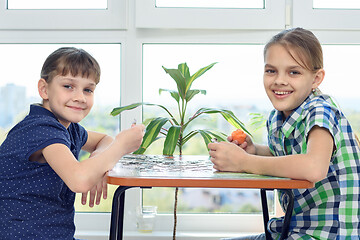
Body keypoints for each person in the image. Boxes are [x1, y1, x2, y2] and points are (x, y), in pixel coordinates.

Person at [208, 28, 360, 239]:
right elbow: (287, 158)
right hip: (293, 230)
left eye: (294, 72)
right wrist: (255, 151)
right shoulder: (278, 116)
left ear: (316, 78)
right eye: (271, 71)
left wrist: (244, 162)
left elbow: (314, 166)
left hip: (329, 234)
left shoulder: (320, 111)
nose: (279, 80)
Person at [0, 47, 145, 239]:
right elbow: (80, 180)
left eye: (88, 89)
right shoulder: (40, 129)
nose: (80, 97)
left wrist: (98, 160)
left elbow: (103, 140)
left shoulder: (69, 127)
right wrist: (120, 146)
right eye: (68, 86)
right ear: (44, 89)